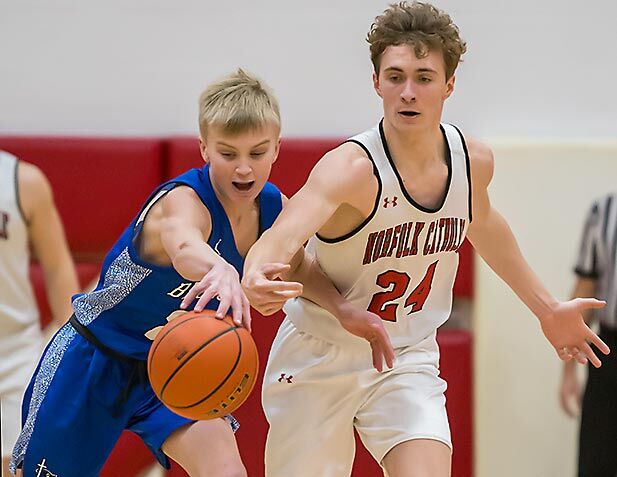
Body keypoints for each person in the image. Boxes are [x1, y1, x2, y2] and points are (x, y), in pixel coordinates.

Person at [242, 3, 610, 476]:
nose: (408, 92)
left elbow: (486, 227)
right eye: (394, 77)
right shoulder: (351, 168)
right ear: (376, 82)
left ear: (449, 85)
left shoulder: (471, 160)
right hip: (320, 352)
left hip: (406, 353)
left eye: (424, 77)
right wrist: (257, 272)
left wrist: (547, 308)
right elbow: (281, 238)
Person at [9, 69, 392, 477]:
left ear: (277, 148)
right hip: (93, 356)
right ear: (204, 149)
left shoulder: (273, 208)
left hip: (178, 361)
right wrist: (222, 269)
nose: (243, 169)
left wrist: (342, 309)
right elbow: (185, 246)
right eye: (228, 154)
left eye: (257, 153)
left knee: (226, 472)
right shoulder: (182, 201)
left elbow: (298, 265)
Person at [0, 150, 79, 476]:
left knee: (18, 467)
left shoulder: (23, 180)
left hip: (16, 354)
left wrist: (72, 351)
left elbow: (58, 266)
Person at [560, 194, 617, 477]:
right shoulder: (605, 210)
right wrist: (568, 370)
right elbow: (585, 289)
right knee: (598, 461)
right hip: (610, 352)